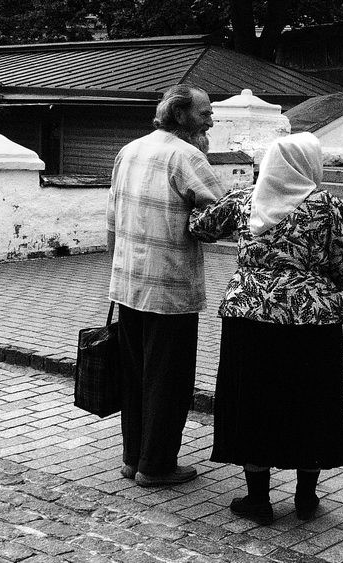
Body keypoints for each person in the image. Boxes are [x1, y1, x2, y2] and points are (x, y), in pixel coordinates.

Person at [188, 132, 343, 522]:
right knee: (311, 401)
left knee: (252, 400)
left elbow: (200, 227)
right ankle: (305, 498)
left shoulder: (244, 199)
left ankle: (258, 500)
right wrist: (314, 285)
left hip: (248, 314)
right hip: (311, 318)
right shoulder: (327, 206)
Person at [106, 84, 227, 487]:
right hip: (170, 287)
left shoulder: (131, 149)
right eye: (205, 113)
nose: (211, 119)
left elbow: (111, 219)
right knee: (168, 380)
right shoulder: (187, 155)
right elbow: (221, 216)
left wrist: (115, 270)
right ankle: (156, 465)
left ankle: (132, 458)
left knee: (135, 375)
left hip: (127, 282)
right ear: (181, 115)